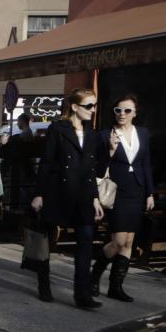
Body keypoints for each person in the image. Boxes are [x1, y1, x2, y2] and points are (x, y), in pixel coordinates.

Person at [31, 88, 105, 309]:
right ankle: (43, 284)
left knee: (86, 240)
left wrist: (95, 198)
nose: (93, 110)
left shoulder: (92, 133)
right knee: (46, 240)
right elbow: (46, 162)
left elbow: (92, 169)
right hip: (57, 191)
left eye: (95, 105)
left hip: (83, 195)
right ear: (74, 107)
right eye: (88, 106)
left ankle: (82, 295)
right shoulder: (58, 128)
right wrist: (39, 193)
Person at [91, 94, 155, 302]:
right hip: (117, 191)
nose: (122, 114)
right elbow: (98, 169)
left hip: (137, 190)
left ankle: (115, 287)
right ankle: (93, 277)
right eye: (118, 110)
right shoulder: (104, 135)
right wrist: (110, 151)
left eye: (127, 110)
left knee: (129, 241)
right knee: (118, 241)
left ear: (135, 113)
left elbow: (146, 164)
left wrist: (150, 193)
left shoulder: (143, 133)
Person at [0, 115, 36, 211]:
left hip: (23, 168)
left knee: (22, 190)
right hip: (25, 167)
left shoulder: (25, 134)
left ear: (23, 121)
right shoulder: (27, 133)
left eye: (18, 121)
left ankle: (19, 209)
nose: (18, 124)